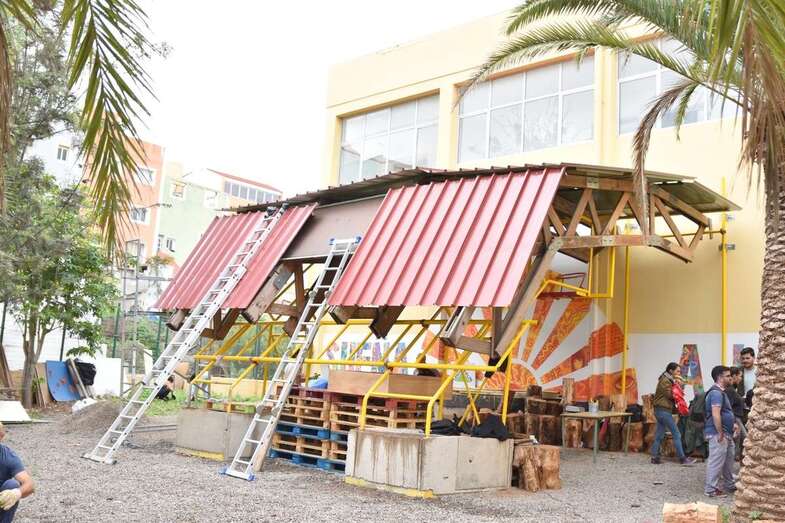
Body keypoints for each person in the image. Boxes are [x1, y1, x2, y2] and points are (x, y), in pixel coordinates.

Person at [651, 362, 696, 465]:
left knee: (659, 435)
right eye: (678, 371)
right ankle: (682, 459)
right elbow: (671, 395)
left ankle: (655, 457)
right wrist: (678, 386)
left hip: (660, 410)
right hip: (663, 411)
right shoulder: (665, 381)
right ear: (671, 371)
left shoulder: (667, 380)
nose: (679, 373)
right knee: (676, 434)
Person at [704, 365, 738, 497]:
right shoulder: (716, 393)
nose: (731, 378)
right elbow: (716, 414)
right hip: (718, 433)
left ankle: (729, 484)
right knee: (716, 460)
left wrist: (732, 424)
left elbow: (724, 412)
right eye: (728, 376)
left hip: (726, 433)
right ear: (720, 377)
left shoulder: (721, 392)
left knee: (729, 458)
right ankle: (711, 489)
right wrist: (720, 432)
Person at [0, 423, 34, 522]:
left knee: (12, 485)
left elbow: (30, 485)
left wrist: (16, 493)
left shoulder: (8, 457)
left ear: (1, 436)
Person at [727, 367, 748, 458]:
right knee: (746, 439)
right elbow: (728, 407)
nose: (741, 378)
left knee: (738, 441)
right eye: (740, 376)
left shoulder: (733, 389)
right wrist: (734, 422)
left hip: (737, 418)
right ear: (734, 376)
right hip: (735, 419)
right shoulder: (730, 390)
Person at [736, 347, 756, 423]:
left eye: (747, 358)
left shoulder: (760, 371)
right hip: (742, 408)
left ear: (753, 357)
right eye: (743, 358)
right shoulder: (738, 371)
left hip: (756, 407)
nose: (745, 360)